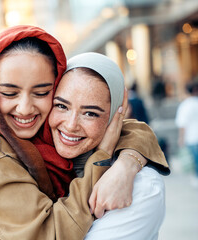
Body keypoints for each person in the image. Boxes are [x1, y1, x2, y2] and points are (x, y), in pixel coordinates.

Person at [0, 25, 169, 239]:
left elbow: (124, 128)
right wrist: (104, 156)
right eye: (9, 93)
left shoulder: (31, 133)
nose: (24, 108)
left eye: (42, 93)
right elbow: (48, 233)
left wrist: (128, 162)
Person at [49, 52, 167, 239]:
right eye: (62, 106)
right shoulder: (32, 156)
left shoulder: (141, 187)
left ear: (115, 117)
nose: (71, 125)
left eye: (90, 113)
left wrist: (125, 165)